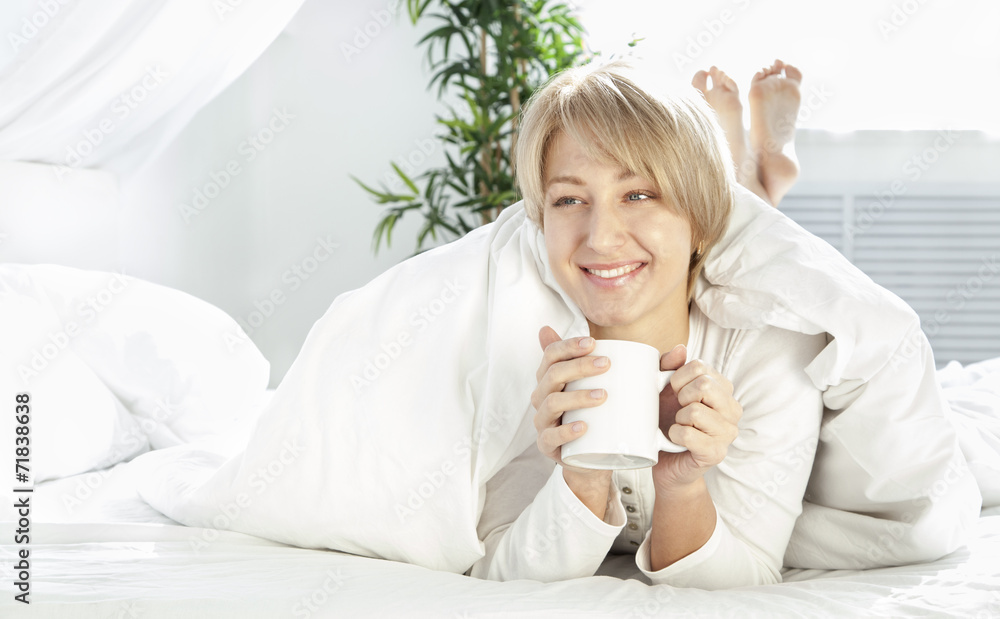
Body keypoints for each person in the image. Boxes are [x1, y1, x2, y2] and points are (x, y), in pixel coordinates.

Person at [468, 59, 828, 589]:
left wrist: (682, 487)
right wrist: (583, 474)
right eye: (569, 199)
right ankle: (747, 169)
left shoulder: (773, 348)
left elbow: (748, 583)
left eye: (638, 193)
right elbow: (503, 574)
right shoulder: (517, 343)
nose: (601, 238)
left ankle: (752, 179)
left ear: (698, 222)